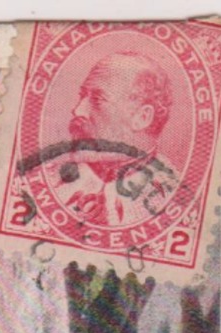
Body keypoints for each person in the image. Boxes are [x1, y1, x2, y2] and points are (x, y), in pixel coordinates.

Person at [61, 50, 177, 230]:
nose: (78, 111)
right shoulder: (44, 179)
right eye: (82, 96)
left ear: (142, 117)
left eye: (98, 99)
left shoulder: (173, 199)